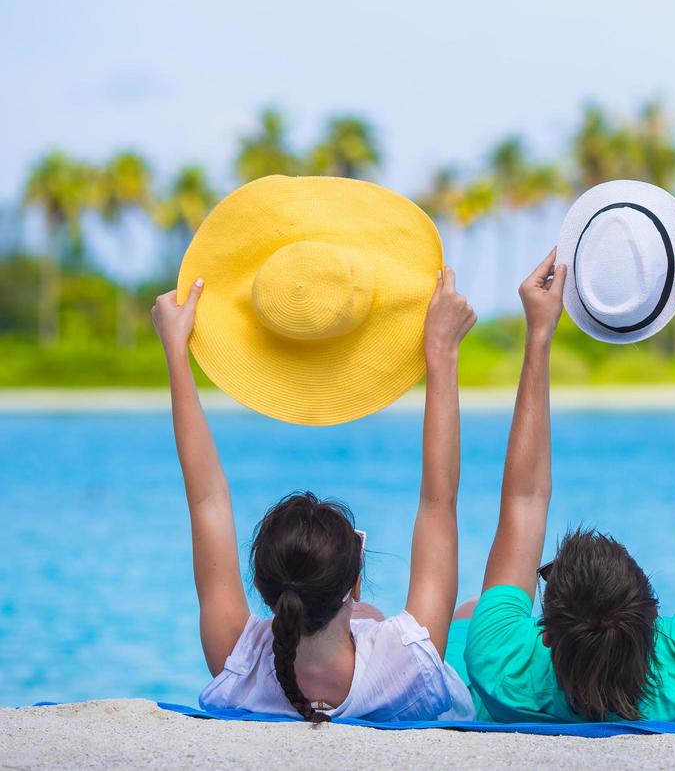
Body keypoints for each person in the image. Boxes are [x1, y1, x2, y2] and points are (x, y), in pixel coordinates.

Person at [448, 242, 675, 724]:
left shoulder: (499, 668)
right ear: (654, 622)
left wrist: (539, 335)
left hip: (525, 700)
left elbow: (525, 498)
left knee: (474, 612)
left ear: (547, 635)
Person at [152, 268, 478, 722]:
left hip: (336, 620)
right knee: (464, 613)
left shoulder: (237, 660)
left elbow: (206, 499)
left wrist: (175, 352)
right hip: (405, 659)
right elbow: (438, 502)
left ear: (266, 589)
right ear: (353, 581)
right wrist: (441, 352)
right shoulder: (409, 664)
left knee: (374, 617)